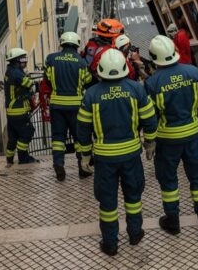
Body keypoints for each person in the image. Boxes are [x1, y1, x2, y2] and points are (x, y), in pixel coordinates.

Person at [77, 49, 158, 256]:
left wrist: (85, 155)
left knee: (107, 202)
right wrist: (150, 142)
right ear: (124, 68)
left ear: (100, 71)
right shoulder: (136, 90)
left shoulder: (91, 95)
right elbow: (150, 119)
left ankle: (111, 244)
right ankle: (135, 233)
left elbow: (83, 130)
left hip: (104, 159)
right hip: (131, 155)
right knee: (133, 195)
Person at [144, 35, 198, 238]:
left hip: (167, 141)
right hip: (193, 136)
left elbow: (151, 117)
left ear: (154, 57)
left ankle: (173, 221)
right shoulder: (194, 73)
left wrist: (150, 141)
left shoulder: (152, 83)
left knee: (168, 181)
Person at [45, 31, 93, 181]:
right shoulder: (81, 62)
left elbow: (47, 79)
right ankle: (82, 169)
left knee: (58, 138)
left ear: (62, 43)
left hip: (57, 105)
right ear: (77, 45)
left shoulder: (51, 59)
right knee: (78, 138)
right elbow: (87, 80)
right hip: (75, 106)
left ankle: (58, 164)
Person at [4, 48, 39, 165]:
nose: (25, 61)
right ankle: (23, 158)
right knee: (27, 132)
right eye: (23, 59)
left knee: (13, 137)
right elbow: (29, 84)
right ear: (16, 61)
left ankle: (9, 159)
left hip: (11, 112)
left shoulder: (9, 71)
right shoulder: (17, 73)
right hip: (19, 112)